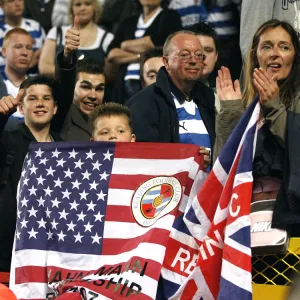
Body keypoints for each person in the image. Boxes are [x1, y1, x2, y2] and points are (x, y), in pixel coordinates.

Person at [0, 23, 78, 273]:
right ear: (21, 108)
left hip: (53, 248)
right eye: (32, 98)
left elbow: (65, 88)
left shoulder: (65, 149)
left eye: (47, 98)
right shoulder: (8, 139)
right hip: (7, 248)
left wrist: (67, 57)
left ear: (56, 108)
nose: (40, 104)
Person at [214, 20, 300, 230]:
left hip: (290, 220)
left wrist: (274, 106)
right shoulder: (243, 104)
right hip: (242, 219)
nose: (275, 53)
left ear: (295, 57)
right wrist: (231, 113)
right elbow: (221, 168)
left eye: (284, 47)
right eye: (267, 46)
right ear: (254, 55)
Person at [127, 30, 215, 168]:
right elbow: (140, 158)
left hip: (209, 188)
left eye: (198, 55)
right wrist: (187, 160)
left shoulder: (209, 99)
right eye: (184, 55)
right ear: (166, 62)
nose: (193, 61)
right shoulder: (143, 103)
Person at [107, 0, 182, 103]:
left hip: (153, 82)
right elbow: (112, 54)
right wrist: (139, 56)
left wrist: (125, 45)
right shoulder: (128, 22)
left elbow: (155, 43)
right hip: (124, 85)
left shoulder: (170, 16)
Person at [39, 0, 113, 77]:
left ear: (95, 7)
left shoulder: (108, 38)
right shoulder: (56, 32)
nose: (82, 8)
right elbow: (44, 68)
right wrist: (75, 75)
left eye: (87, 4)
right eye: (78, 4)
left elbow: (109, 75)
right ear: (71, 9)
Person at [60, 58, 106, 141]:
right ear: (71, 87)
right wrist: (67, 55)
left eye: (99, 89)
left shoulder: (109, 121)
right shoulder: (61, 117)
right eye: (85, 87)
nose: (93, 96)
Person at [0, 28, 34, 129]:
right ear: (4, 51)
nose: (25, 52)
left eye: (29, 48)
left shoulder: (40, 85)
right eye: (18, 47)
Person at [0, 0, 45, 73]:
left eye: (20, 0)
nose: (18, 4)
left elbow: (45, 58)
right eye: (11, 1)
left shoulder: (36, 27)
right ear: (1, 5)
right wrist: (29, 63)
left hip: (35, 80)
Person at [189, 21, 220, 111]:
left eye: (208, 50)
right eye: (197, 50)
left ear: (216, 57)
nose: (203, 56)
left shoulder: (227, 91)